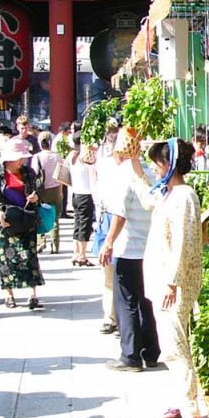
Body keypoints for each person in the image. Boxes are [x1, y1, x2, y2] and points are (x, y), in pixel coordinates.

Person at [145, 139, 205, 418]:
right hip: (161, 278)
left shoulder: (184, 196)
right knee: (169, 343)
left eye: (157, 162)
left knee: (175, 343)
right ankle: (180, 401)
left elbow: (186, 243)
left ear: (170, 165)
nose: (154, 168)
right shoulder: (168, 194)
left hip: (175, 281)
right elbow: (145, 197)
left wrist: (173, 280)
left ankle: (193, 411)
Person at [98, 128, 160, 371]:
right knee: (147, 301)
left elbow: (119, 213)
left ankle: (131, 356)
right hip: (151, 247)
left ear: (116, 149)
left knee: (126, 302)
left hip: (129, 248)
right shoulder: (149, 171)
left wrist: (108, 241)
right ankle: (151, 352)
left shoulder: (125, 173)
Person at [0, 138, 45, 310]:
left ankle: (33, 294)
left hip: (25, 217)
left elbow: (36, 192)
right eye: (19, 157)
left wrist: (34, 198)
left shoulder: (28, 172)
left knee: (29, 257)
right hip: (6, 220)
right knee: (6, 259)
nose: (22, 161)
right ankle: (9, 295)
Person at [92, 127, 120, 333]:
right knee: (107, 272)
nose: (109, 147)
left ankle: (120, 317)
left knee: (124, 273)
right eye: (108, 143)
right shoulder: (102, 164)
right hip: (105, 218)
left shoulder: (128, 167)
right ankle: (109, 316)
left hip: (121, 219)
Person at [32, 131, 64, 254]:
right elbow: (61, 175)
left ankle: (41, 242)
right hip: (56, 188)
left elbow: (35, 173)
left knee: (41, 214)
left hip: (42, 190)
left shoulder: (37, 157)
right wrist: (61, 190)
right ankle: (55, 245)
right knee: (55, 217)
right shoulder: (58, 156)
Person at [69, 133, 96, 268]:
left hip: (75, 194)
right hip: (86, 194)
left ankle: (76, 252)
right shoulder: (85, 157)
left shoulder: (71, 156)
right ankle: (82, 255)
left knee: (77, 223)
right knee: (85, 225)